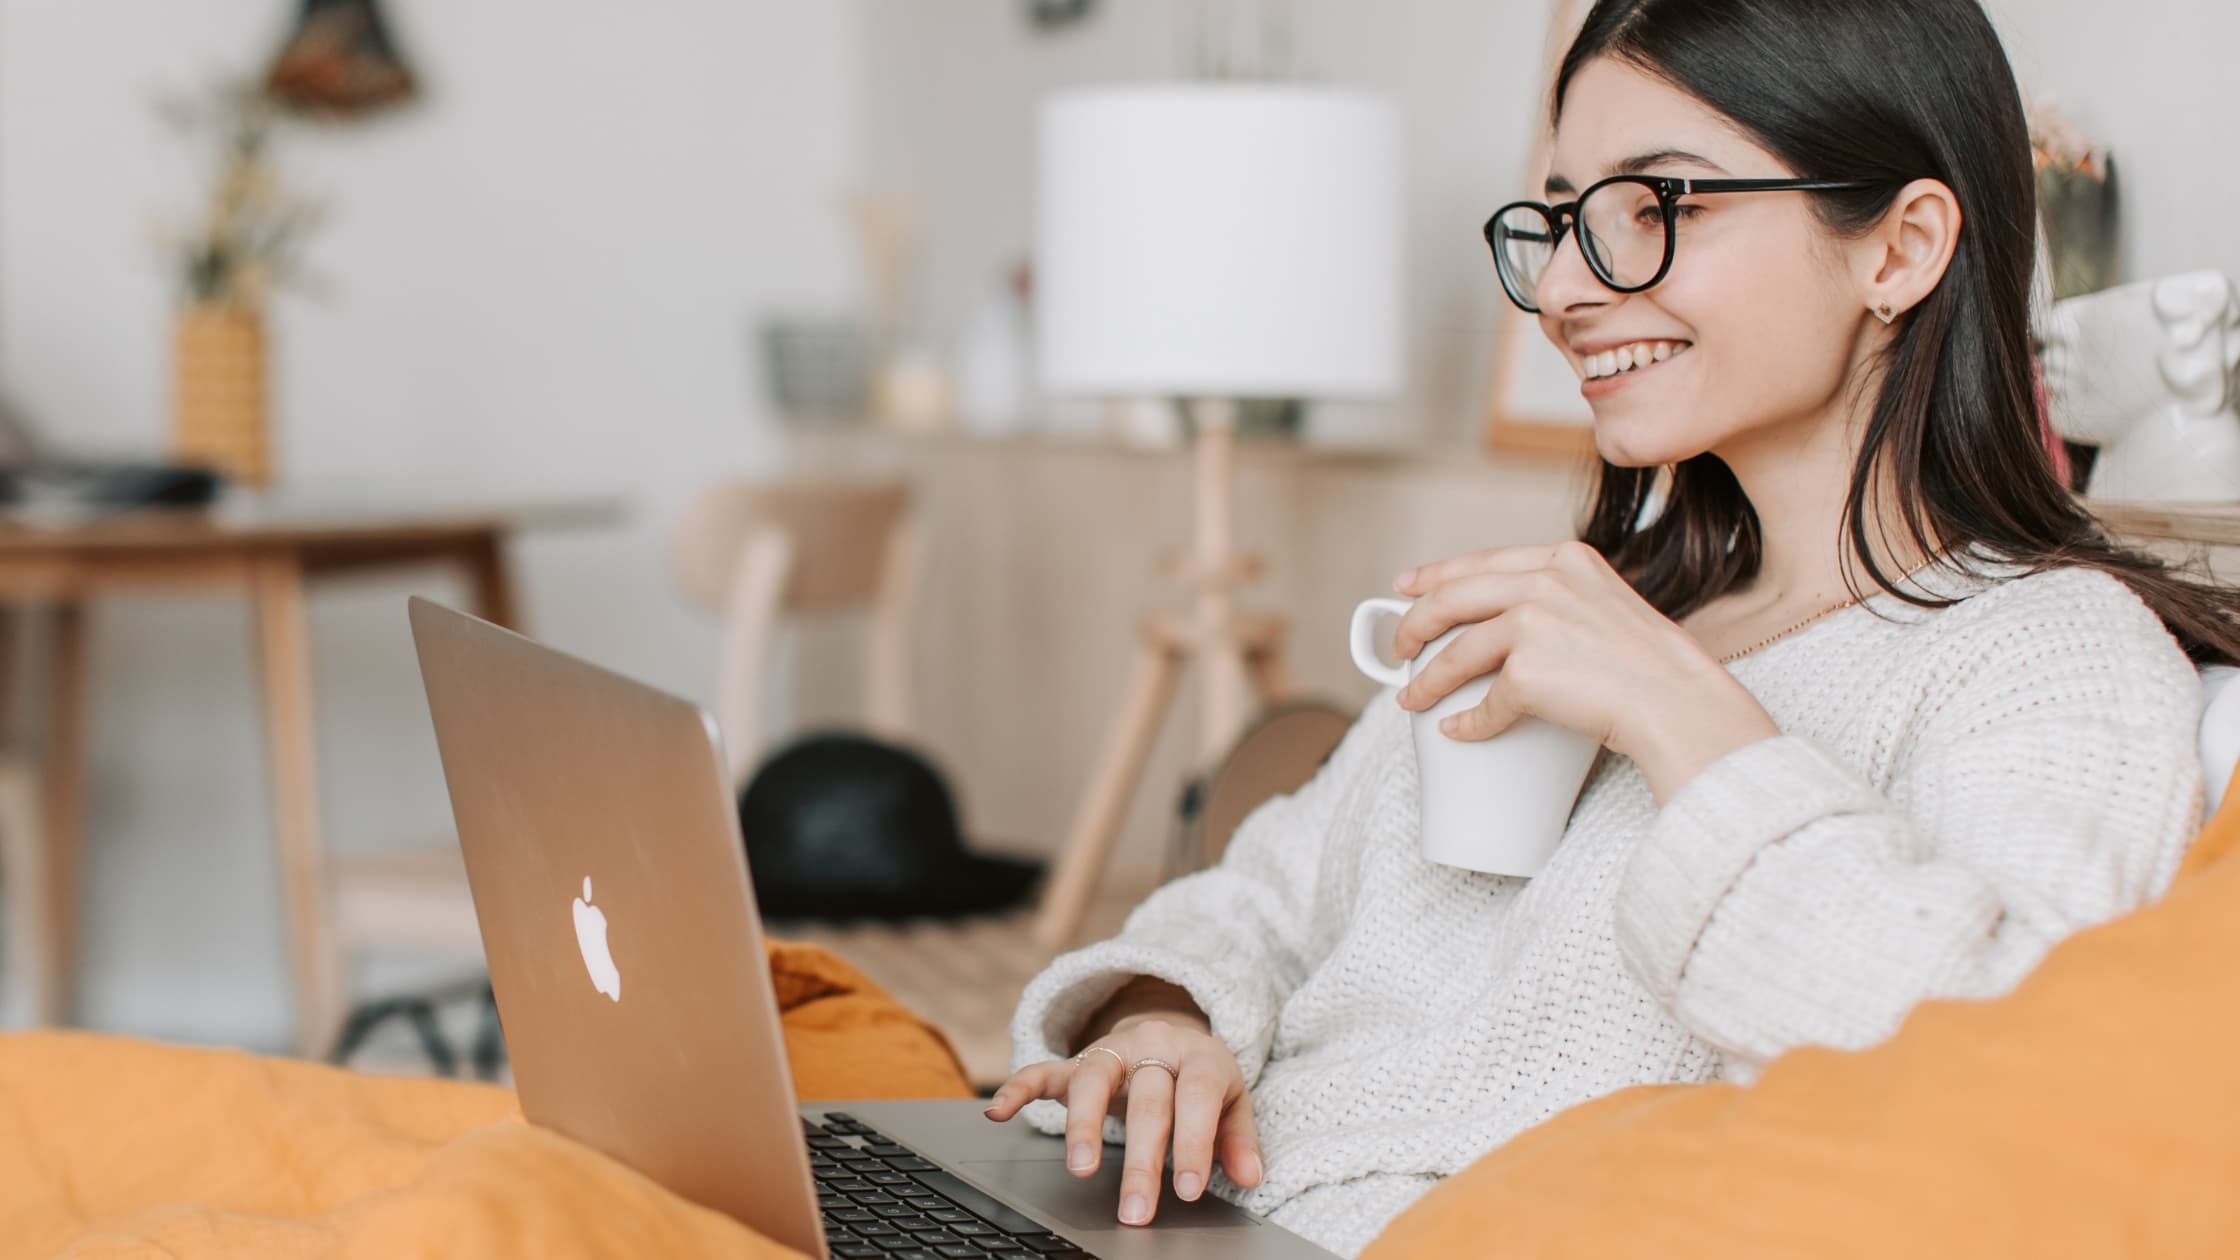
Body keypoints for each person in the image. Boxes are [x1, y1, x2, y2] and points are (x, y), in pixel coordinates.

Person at [982, 0, 2240, 1253]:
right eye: (1564, 219)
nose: (1569, 290)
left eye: (1656, 210)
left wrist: (1680, 715)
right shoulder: (1598, 599)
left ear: (1899, 249)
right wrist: (1163, 1018)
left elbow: (1994, 1079)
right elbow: (1258, 895)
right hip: (1190, 1215)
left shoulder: (2043, 655)